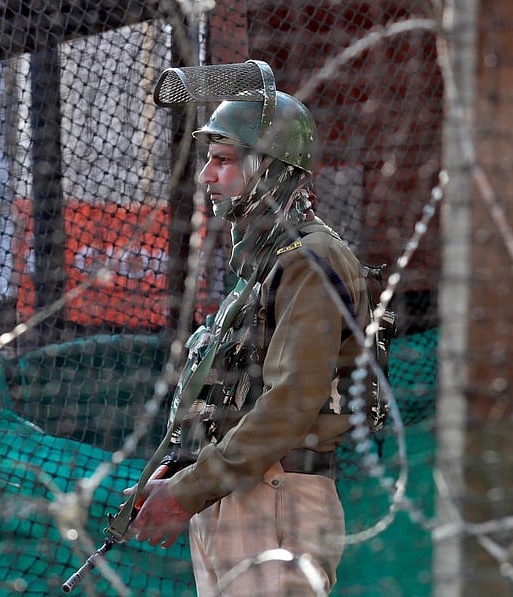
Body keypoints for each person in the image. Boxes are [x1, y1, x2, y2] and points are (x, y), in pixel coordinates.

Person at [125, 75, 372, 596]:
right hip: (233, 496)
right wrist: (181, 470)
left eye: (225, 160)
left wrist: (190, 490)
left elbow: (293, 400)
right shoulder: (258, 267)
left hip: (275, 498)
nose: (208, 176)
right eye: (209, 159)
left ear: (272, 169)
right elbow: (239, 392)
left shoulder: (310, 260)